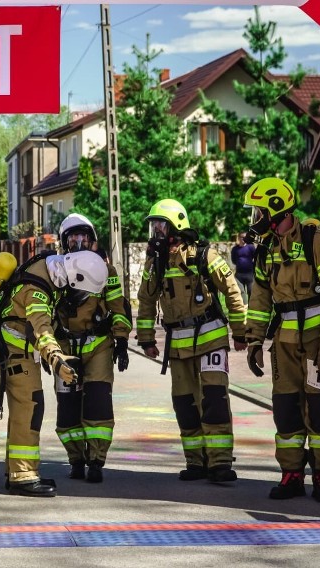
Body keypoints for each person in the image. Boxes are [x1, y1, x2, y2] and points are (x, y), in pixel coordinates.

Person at [243, 177, 320, 503]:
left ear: (275, 209)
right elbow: (259, 301)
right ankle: (291, 475)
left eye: (257, 212)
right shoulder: (266, 250)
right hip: (283, 345)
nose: (254, 219)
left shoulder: (317, 241)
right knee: (285, 410)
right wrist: (255, 341)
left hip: (318, 343)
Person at [136, 199, 246, 484]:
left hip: (211, 338)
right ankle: (196, 462)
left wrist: (241, 332)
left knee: (214, 400)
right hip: (178, 345)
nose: (156, 233)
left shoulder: (204, 255)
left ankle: (220, 463)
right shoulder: (155, 262)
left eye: (161, 226)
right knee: (185, 403)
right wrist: (146, 339)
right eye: (154, 227)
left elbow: (233, 292)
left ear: (176, 227)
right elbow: (146, 302)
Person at [0, 249, 109, 497]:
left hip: (19, 349)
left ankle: (16, 472)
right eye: (81, 291)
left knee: (23, 410)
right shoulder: (37, 291)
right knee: (29, 408)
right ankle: (23, 476)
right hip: (17, 351)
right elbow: (41, 327)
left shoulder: (48, 268)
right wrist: (57, 359)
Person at [53, 214, 131, 483]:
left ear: (92, 239)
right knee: (68, 408)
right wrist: (48, 348)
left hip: (98, 345)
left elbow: (118, 307)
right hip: (65, 347)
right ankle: (75, 459)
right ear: (64, 241)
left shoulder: (106, 271)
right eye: (73, 237)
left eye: (83, 236)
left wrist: (121, 341)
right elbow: (47, 310)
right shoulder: (56, 270)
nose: (79, 241)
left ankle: (96, 461)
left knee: (98, 403)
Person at [231, 232, 256, 302]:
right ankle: (244, 306)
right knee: (241, 292)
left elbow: (255, 257)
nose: (243, 239)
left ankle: (250, 307)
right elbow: (234, 260)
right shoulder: (235, 249)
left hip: (249, 274)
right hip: (239, 274)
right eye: (241, 237)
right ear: (238, 238)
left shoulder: (250, 247)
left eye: (244, 237)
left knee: (250, 291)